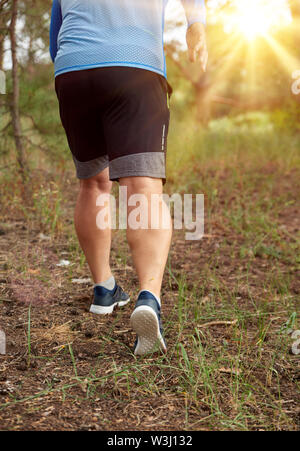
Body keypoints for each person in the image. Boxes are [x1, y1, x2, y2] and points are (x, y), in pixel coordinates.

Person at [50, 0, 207, 356]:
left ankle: (104, 289)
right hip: (134, 64)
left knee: (92, 183)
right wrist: (196, 24)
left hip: (73, 71)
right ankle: (148, 297)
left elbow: (53, 35)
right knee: (142, 187)